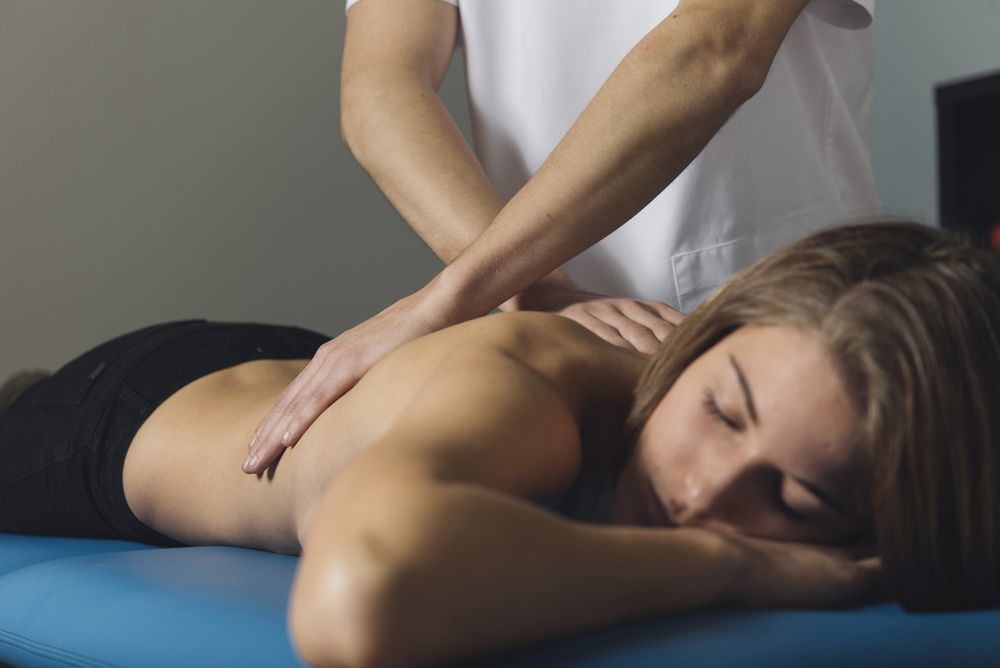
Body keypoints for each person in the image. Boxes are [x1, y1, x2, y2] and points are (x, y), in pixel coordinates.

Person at [3, 221, 998, 667]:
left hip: (331, 381)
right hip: (119, 416)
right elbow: (360, 606)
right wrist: (731, 560)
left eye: (796, 499)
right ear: (710, 329)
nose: (702, 490)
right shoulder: (535, 381)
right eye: (722, 411)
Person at [244, 0, 879, 476]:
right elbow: (382, 84)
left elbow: (721, 45)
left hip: (787, 322)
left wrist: (449, 299)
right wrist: (537, 287)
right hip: (546, 343)